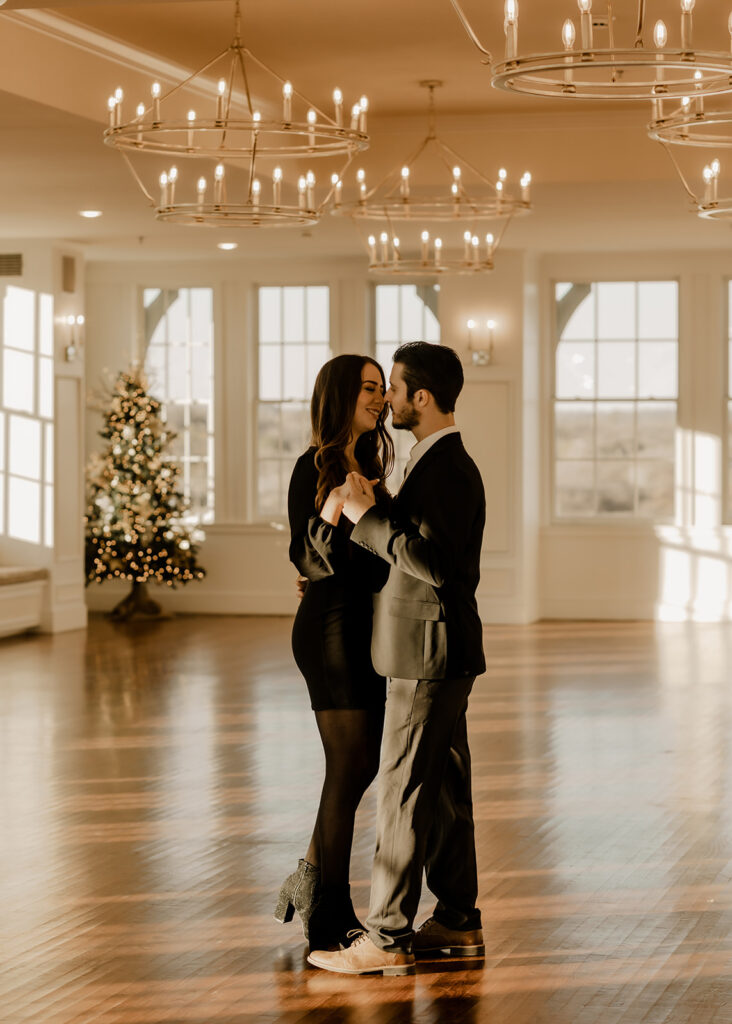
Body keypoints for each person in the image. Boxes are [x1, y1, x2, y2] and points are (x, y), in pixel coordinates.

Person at [307, 341, 486, 976]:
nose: (388, 400)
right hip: (439, 650)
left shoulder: (446, 468)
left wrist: (364, 516)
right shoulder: (433, 462)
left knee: (402, 792)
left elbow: (435, 566)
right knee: (441, 792)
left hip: (425, 652)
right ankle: (458, 922)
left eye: (397, 388)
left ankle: (385, 937)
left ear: (422, 397)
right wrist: (377, 510)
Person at [274, 354, 394, 951]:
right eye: (369, 388)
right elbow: (308, 559)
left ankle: (307, 878)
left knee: (362, 764)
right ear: (342, 395)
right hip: (327, 631)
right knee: (348, 766)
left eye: (382, 389)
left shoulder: (370, 465)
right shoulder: (313, 466)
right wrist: (338, 505)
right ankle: (330, 917)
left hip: (362, 627)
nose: (381, 398)